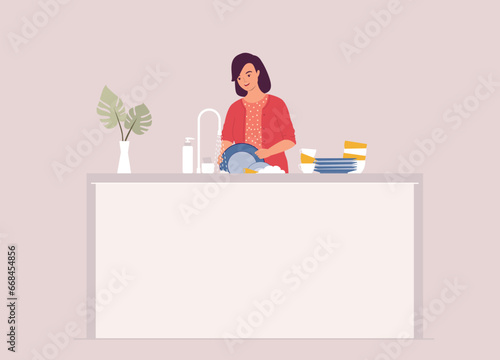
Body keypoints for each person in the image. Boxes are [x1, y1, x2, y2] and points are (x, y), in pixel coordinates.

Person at [219, 53, 296, 173]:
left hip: (274, 169)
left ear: (258, 72)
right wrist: (224, 156)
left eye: (248, 74)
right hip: (241, 169)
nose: (244, 80)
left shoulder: (277, 104)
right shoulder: (234, 108)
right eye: (239, 77)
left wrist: (268, 152)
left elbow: (290, 140)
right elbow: (227, 139)